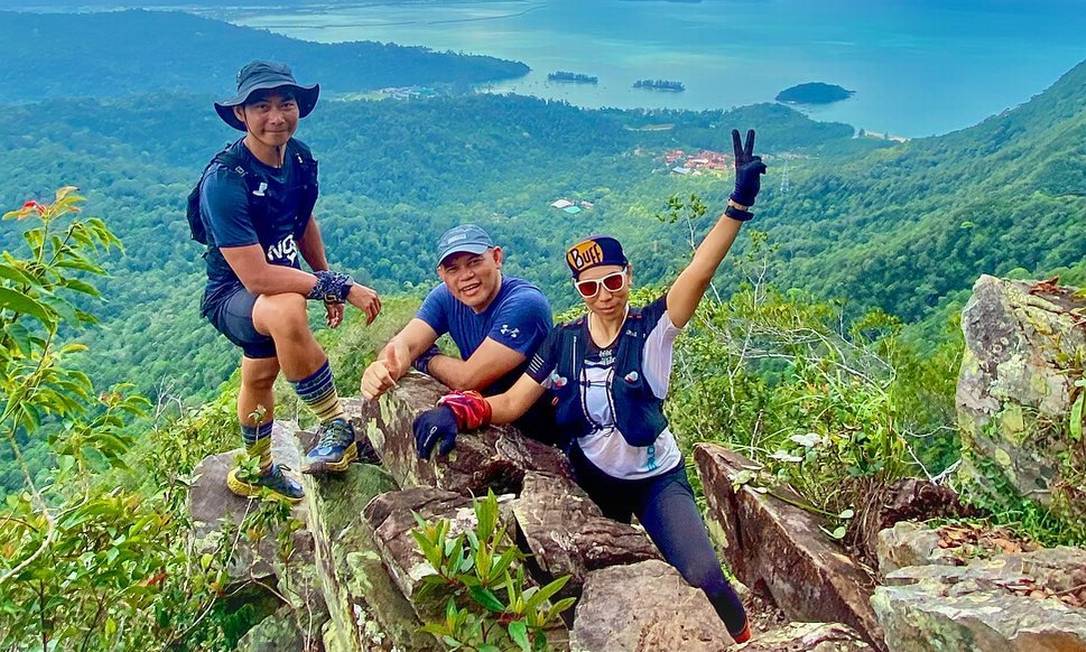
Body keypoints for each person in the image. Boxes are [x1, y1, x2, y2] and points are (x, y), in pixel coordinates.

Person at [410, 129, 768, 642]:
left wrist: (736, 205)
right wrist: (458, 410)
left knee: (703, 574)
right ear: (579, 290)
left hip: (654, 476)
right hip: (590, 474)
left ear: (628, 276)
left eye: (613, 281)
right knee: (586, 584)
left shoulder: (654, 329)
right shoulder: (563, 342)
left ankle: (744, 637)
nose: (603, 294)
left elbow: (698, 273)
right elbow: (512, 403)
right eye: (590, 286)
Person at [193, 61, 381, 502]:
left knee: (260, 376)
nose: (276, 116)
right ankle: (335, 423)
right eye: (262, 106)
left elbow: (302, 221)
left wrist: (323, 274)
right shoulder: (225, 180)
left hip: (278, 278)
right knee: (285, 308)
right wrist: (339, 287)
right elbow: (257, 277)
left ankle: (257, 470)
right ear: (241, 114)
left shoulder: (298, 158)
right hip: (234, 292)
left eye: (286, 104)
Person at [360, 224, 557, 443]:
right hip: (482, 418)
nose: (466, 276)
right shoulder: (445, 297)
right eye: (453, 269)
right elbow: (404, 343)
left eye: (474, 262)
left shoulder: (525, 304)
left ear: (497, 257)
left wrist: (426, 358)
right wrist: (382, 369)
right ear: (441, 274)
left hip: (538, 434)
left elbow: (467, 380)